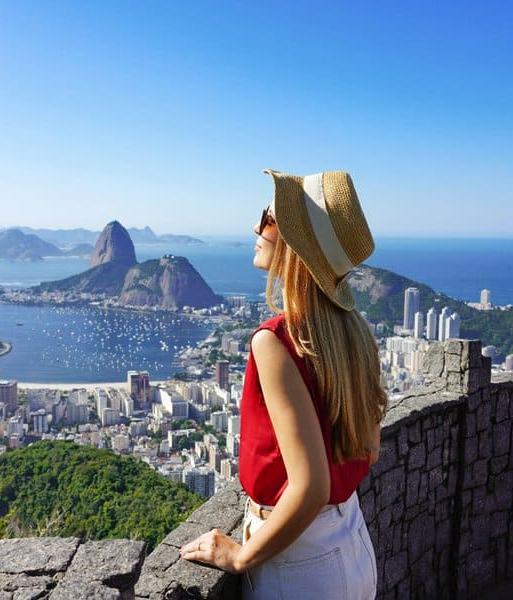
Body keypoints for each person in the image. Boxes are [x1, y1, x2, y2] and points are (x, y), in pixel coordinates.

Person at [179, 169, 387, 599]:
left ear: (296, 244)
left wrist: (241, 557)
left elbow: (310, 488)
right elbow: (369, 446)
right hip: (351, 542)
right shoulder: (354, 333)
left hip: (299, 564)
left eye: (269, 220)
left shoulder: (275, 342)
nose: (256, 229)